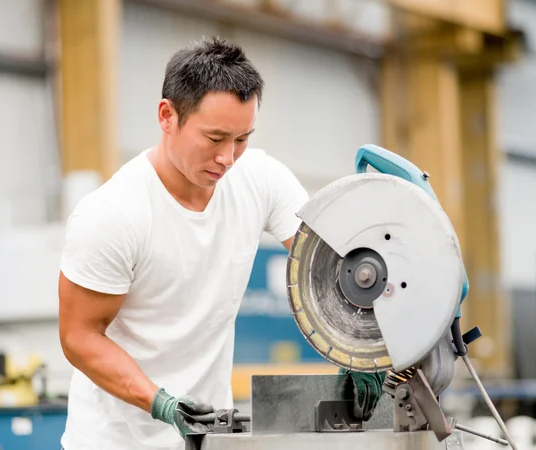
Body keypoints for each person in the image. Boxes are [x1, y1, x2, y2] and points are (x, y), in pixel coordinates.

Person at [57, 36, 384, 450]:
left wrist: (356, 346)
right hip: (115, 441)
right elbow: (79, 337)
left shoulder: (260, 178)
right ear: (167, 116)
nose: (228, 158)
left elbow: (331, 264)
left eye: (242, 139)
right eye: (214, 139)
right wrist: (161, 404)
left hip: (207, 437)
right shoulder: (113, 214)